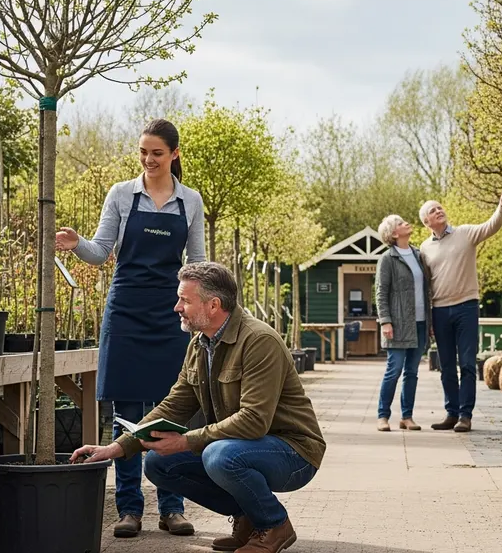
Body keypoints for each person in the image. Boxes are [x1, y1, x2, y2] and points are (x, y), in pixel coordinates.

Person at [72, 262, 325, 553]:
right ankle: (249, 518)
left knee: (220, 455)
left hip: (294, 453)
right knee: (157, 464)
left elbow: (254, 420)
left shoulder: (259, 341)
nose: (177, 307)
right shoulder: (199, 345)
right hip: (244, 446)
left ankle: (274, 524)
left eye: (185, 300)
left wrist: (186, 441)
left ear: (213, 305)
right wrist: (117, 447)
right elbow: (173, 406)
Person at [55, 119, 205, 539]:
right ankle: (129, 508)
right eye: (143, 152)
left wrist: (204, 311)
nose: (148, 160)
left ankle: (172, 507)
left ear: (174, 153)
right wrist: (76, 242)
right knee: (126, 415)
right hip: (125, 311)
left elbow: (196, 263)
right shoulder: (122, 194)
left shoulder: (190, 201)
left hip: (170, 313)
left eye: (156, 153)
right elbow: (101, 252)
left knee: (171, 412)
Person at [418, 186, 502, 432]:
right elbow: (425, 285)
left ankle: (465, 415)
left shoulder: (465, 233)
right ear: (426, 221)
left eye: (439, 207)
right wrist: (428, 317)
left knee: (466, 363)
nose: (439, 210)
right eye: (433, 210)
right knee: (446, 366)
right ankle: (451, 413)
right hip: (440, 311)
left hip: (466, 307)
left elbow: (490, 226)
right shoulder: (424, 248)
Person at [374, 214, 432, 432]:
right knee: (394, 370)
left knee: (412, 372)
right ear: (393, 233)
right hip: (397, 324)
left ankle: (407, 417)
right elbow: (380, 293)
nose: (406, 223)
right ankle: (383, 415)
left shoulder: (418, 255)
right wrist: (385, 322)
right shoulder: (387, 259)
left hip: (420, 323)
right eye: (400, 223)